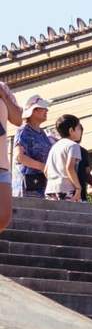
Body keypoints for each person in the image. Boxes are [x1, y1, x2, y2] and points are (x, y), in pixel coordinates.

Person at [14, 95, 52, 200]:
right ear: (33, 111)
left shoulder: (43, 133)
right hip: (28, 186)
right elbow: (19, 157)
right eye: (43, 108)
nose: (47, 110)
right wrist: (43, 167)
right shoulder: (23, 131)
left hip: (41, 185)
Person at [44, 114, 84, 201]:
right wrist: (78, 188)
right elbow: (70, 168)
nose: (80, 131)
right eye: (78, 128)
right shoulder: (73, 145)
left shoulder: (54, 146)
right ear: (71, 130)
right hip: (67, 189)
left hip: (50, 189)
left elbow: (46, 170)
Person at [0, 78, 21, 232]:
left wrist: (4, 96)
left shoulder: (2, 87)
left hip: (1, 163)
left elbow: (18, 119)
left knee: (4, 216)